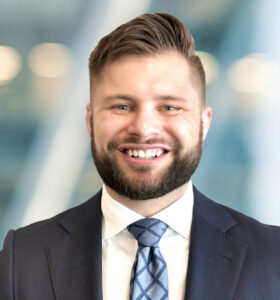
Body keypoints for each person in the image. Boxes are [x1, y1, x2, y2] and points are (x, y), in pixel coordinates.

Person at [0, 13, 279, 300]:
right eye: (121, 106)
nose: (144, 129)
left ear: (203, 123)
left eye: (170, 107)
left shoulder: (273, 257)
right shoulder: (21, 259)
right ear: (90, 120)